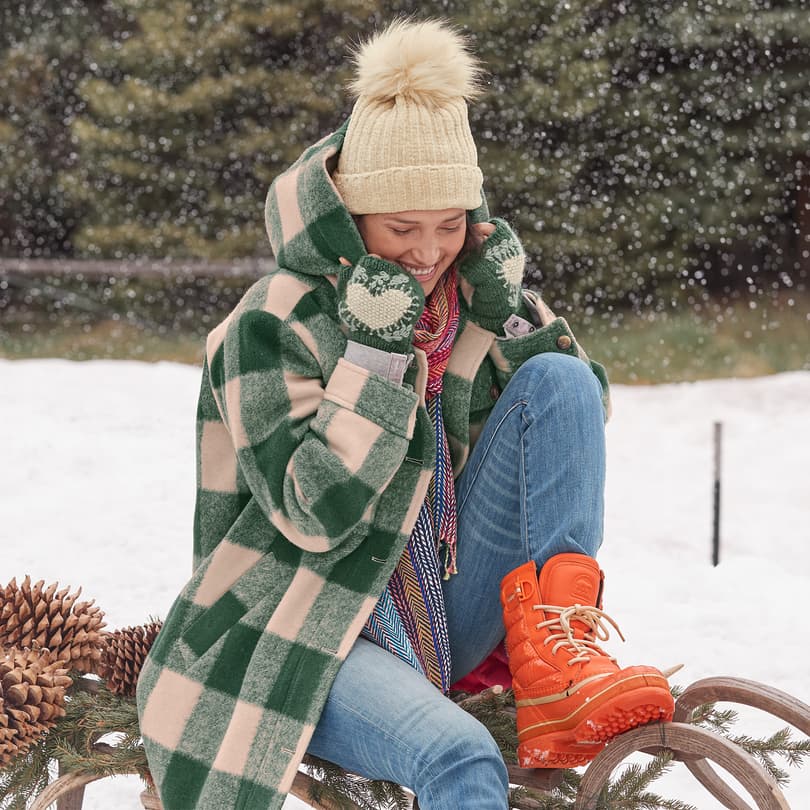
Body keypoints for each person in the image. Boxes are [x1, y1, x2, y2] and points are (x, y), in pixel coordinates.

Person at [136, 18, 675, 810]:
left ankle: (559, 661)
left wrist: (513, 319)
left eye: (450, 226)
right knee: (461, 758)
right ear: (351, 219)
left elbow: (568, 430)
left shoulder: (464, 292)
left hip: (440, 604)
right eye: (401, 231)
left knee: (559, 379)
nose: (428, 254)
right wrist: (376, 363)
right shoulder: (268, 326)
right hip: (309, 622)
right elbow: (314, 513)